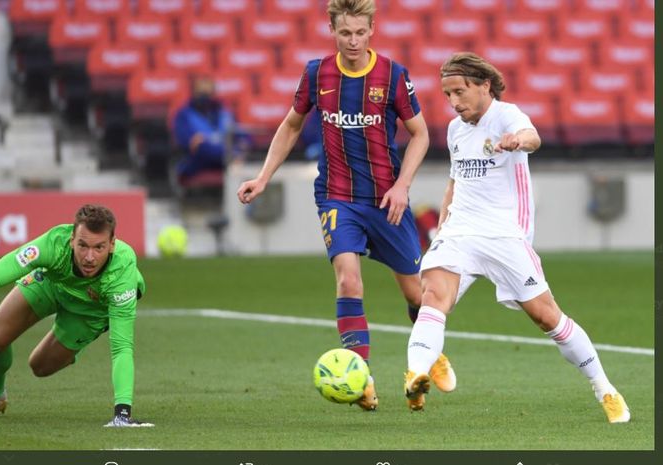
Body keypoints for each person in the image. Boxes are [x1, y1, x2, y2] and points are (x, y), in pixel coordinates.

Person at [237, 0, 456, 411]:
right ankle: (362, 379)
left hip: (386, 198)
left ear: (372, 29)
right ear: (332, 30)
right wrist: (263, 177)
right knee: (348, 280)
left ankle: (431, 351)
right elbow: (291, 125)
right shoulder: (316, 73)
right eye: (345, 33)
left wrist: (403, 186)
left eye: (360, 32)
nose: (353, 41)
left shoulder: (392, 75)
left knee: (418, 292)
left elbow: (421, 135)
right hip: (337, 196)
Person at [404, 52, 630, 423]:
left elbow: (533, 137)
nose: (453, 101)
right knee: (431, 296)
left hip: (505, 234)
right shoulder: (455, 129)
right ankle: (416, 375)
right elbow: (455, 181)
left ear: (483, 86)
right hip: (461, 230)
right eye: (447, 95)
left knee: (547, 318)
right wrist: (443, 224)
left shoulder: (506, 116)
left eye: (459, 91)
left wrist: (517, 141)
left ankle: (605, 388)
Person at [0, 204, 154, 427]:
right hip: (51, 285)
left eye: (99, 247)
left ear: (112, 245)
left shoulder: (122, 271)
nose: (89, 257)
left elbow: (122, 347)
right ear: (71, 240)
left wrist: (122, 413)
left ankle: (71, 347)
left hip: (90, 311)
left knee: (40, 367)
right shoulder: (52, 244)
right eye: (82, 245)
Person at [172, 77, 249, 185]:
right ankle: (230, 156)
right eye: (201, 93)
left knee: (242, 156)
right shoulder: (184, 114)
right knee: (206, 149)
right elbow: (188, 142)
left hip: (224, 159)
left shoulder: (224, 112)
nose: (205, 97)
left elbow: (241, 134)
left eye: (208, 93)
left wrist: (242, 144)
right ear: (194, 92)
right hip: (199, 160)